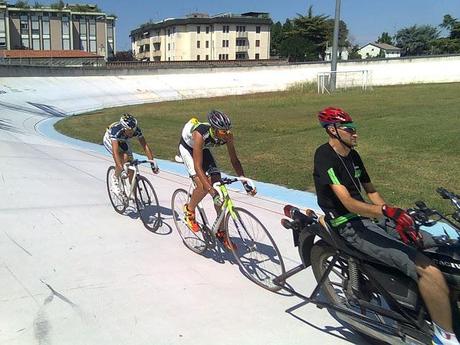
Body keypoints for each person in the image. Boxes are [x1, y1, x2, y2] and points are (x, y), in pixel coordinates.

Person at [312, 107, 458, 345]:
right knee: (427, 269)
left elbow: (372, 191)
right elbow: (348, 203)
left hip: (368, 217)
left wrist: (395, 217)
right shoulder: (324, 156)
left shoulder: (353, 155)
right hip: (348, 224)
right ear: (333, 130)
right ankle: (445, 336)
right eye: (350, 129)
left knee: (435, 246)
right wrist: (384, 211)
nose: (355, 133)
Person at [178, 110, 257, 250]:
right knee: (203, 186)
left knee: (218, 185)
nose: (226, 134)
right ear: (214, 129)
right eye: (223, 131)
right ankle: (189, 211)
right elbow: (197, 166)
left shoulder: (227, 136)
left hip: (204, 148)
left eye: (227, 130)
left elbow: (234, 160)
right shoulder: (200, 134)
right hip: (188, 147)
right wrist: (210, 190)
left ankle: (221, 231)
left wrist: (245, 182)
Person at [103, 113, 159, 199]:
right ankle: (115, 178)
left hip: (123, 140)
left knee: (131, 169)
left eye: (133, 130)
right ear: (124, 128)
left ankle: (135, 197)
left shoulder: (135, 130)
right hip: (111, 140)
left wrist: (152, 163)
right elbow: (115, 152)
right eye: (129, 131)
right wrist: (121, 169)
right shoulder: (116, 131)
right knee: (123, 157)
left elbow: (145, 146)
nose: (132, 132)